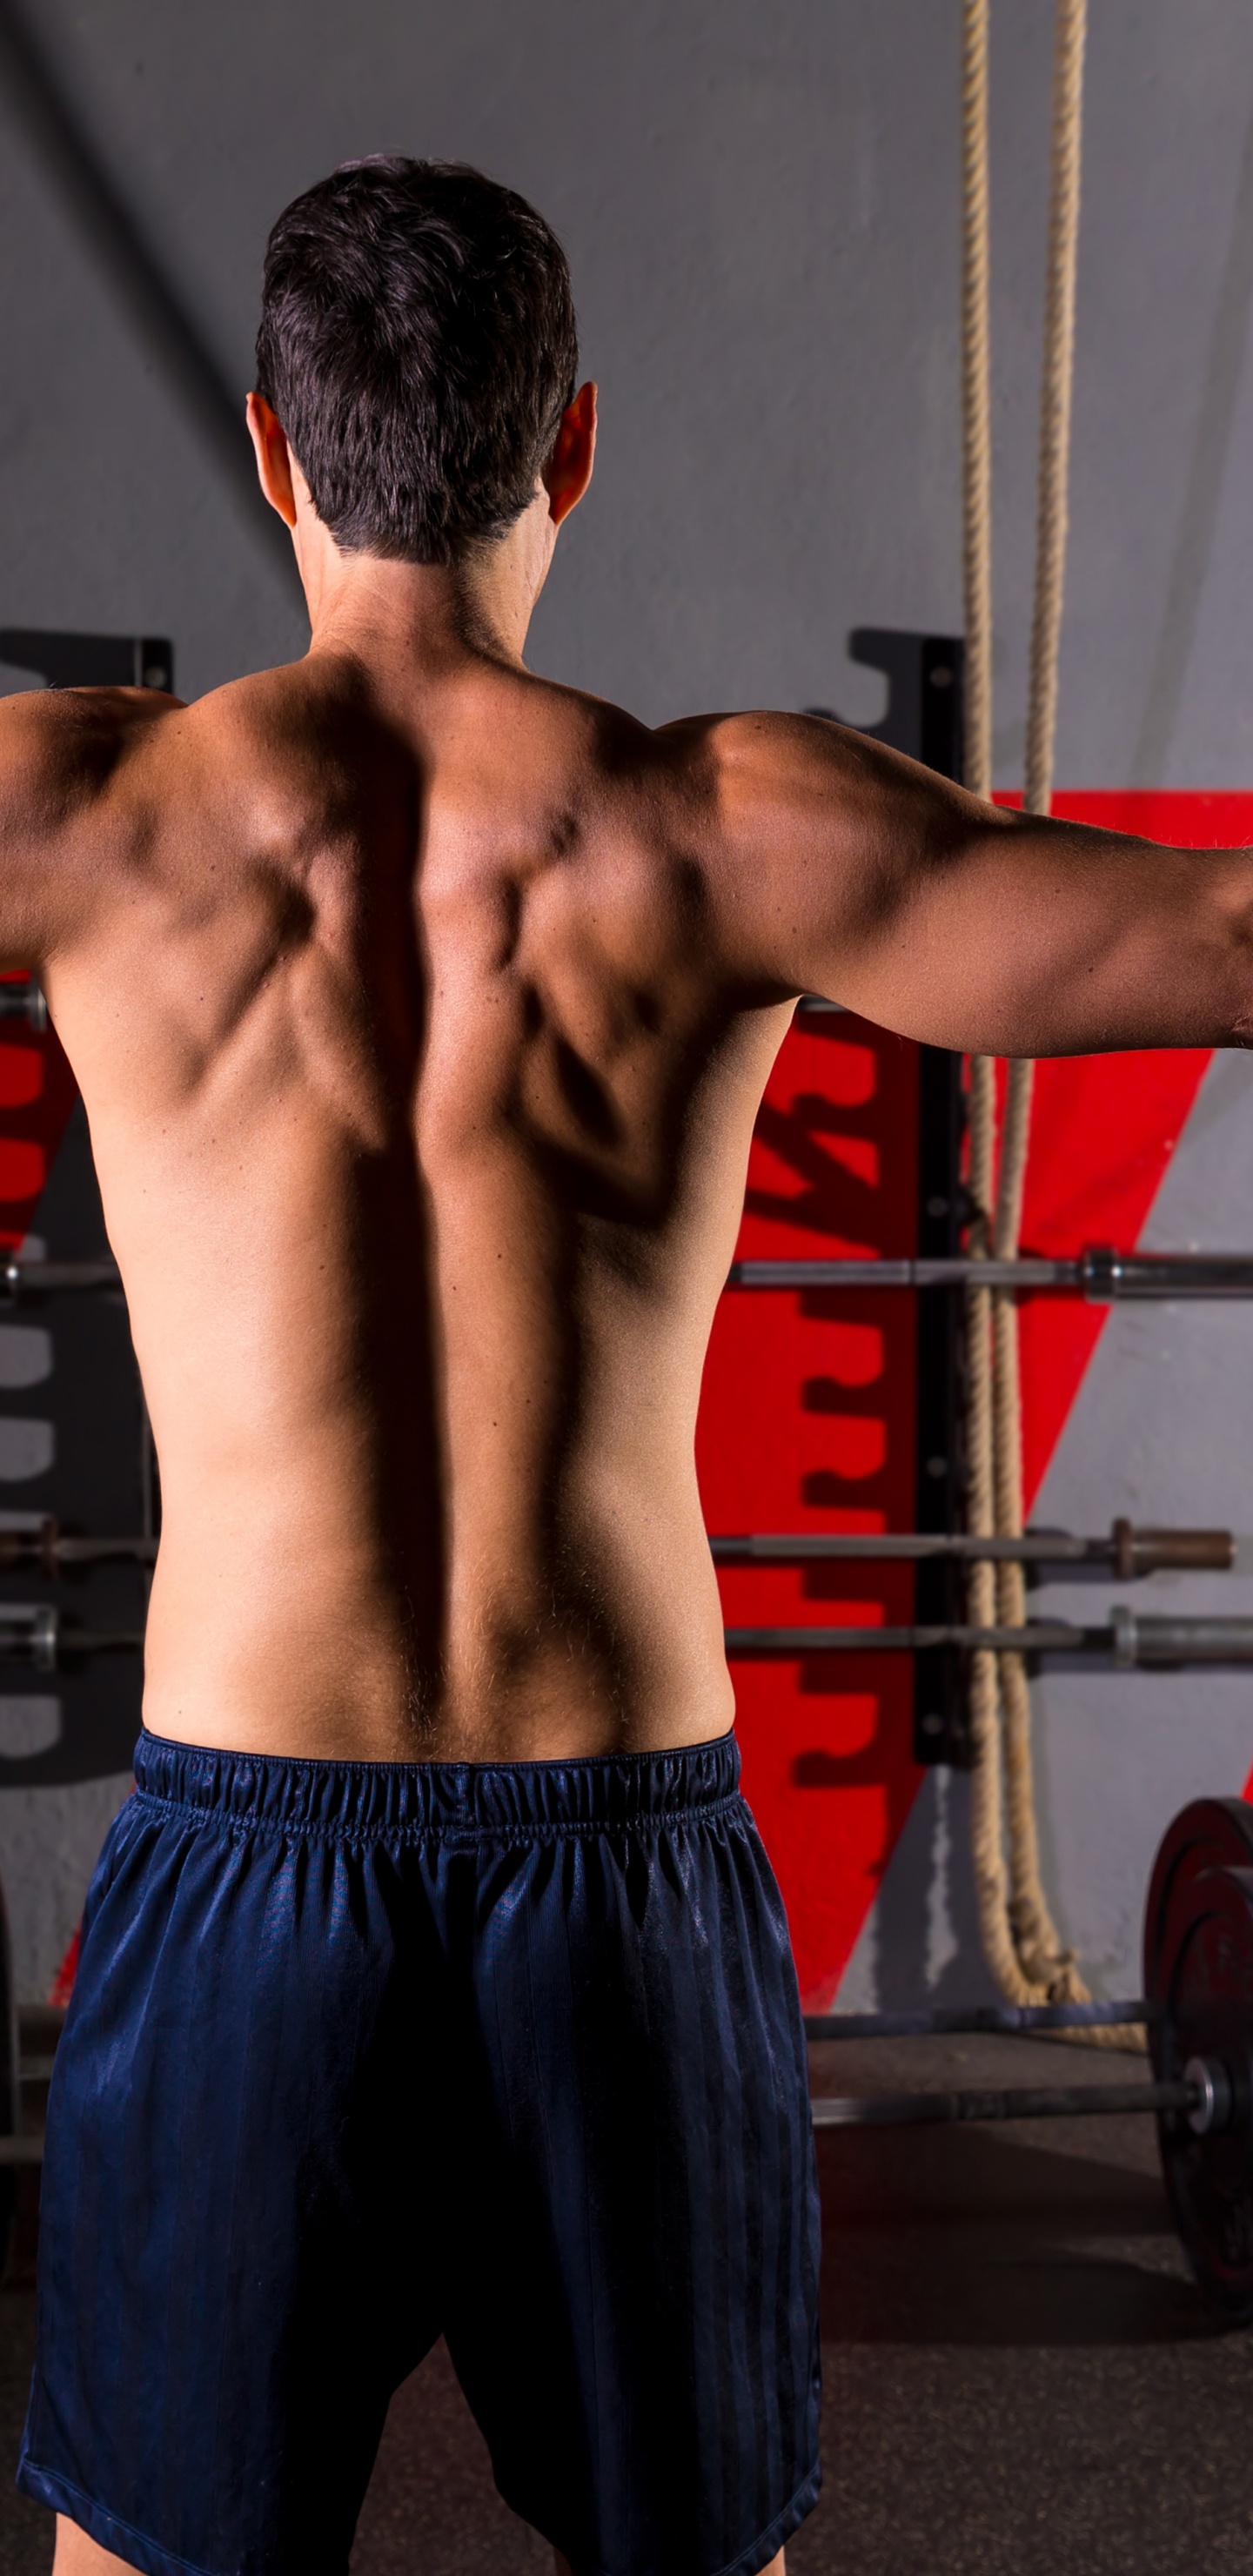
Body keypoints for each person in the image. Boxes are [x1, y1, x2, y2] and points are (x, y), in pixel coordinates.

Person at [4, 153, 1251, 2576]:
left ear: (272, 451)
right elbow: (1214, 934)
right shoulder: (715, 831)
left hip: (250, 1839)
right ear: (572, 448)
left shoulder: (97, 821)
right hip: (617, 1864)